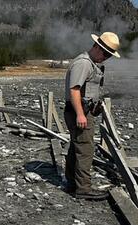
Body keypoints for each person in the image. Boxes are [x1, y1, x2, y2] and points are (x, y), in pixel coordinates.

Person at [64, 32, 120, 200]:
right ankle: (83, 189)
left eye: (109, 55)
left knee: (77, 147)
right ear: (96, 47)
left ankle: (73, 183)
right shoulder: (84, 64)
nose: (106, 57)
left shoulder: (91, 64)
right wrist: (81, 114)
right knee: (86, 149)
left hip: (83, 110)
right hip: (78, 112)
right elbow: (74, 90)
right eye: (105, 53)